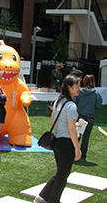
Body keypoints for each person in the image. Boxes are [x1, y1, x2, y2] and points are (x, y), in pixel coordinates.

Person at [34, 75, 82, 203]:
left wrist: (71, 124)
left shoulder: (58, 101)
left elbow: (52, 120)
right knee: (62, 175)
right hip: (67, 144)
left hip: (57, 142)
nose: (79, 88)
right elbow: (71, 129)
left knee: (61, 173)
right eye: (76, 86)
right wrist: (77, 149)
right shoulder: (71, 105)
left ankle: (43, 197)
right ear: (69, 87)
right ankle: (52, 200)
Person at [73, 74, 102, 162]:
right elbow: (98, 105)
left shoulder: (80, 92)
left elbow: (74, 101)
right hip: (90, 116)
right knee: (86, 137)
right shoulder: (96, 93)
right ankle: (82, 156)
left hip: (80, 115)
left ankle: (74, 153)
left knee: (76, 135)